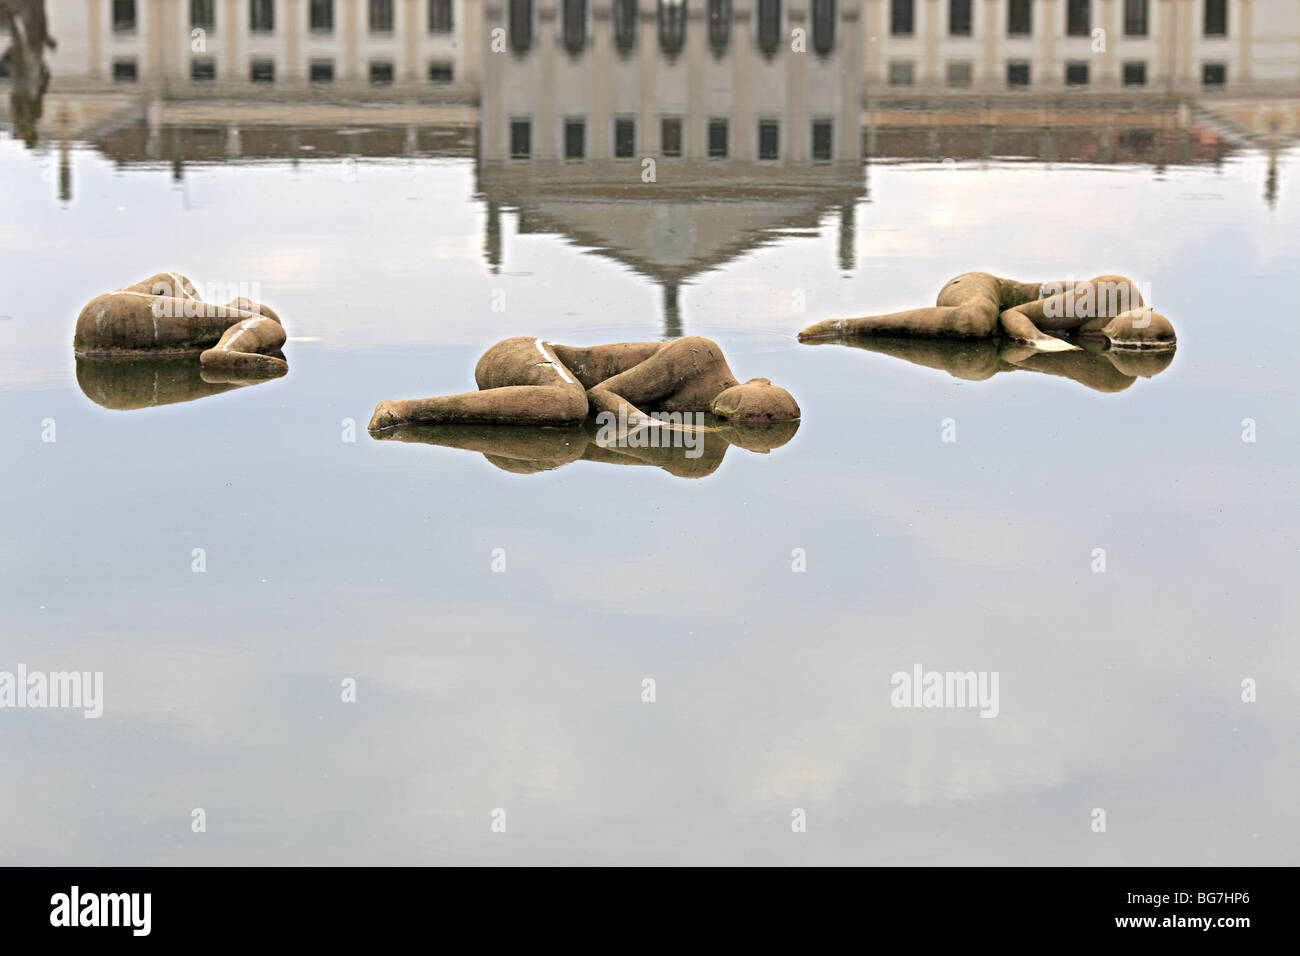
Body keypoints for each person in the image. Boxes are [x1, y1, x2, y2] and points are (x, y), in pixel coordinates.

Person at [367, 335, 800, 430]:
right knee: (569, 404)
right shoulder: (697, 356)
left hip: (532, 393)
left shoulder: (707, 421)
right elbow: (601, 396)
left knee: (564, 406)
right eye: (747, 404)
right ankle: (404, 410)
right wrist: (648, 428)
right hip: (522, 354)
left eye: (756, 422)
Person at [797, 272, 1175, 351]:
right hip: (977, 286)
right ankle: (846, 326)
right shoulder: (1101, 296)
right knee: (975, 322)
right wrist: (1040, 341)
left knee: (980, 330)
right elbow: (1015, 317)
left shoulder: (1139, 322)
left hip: (998, 297)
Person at [74, 273, 287, 376]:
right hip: (113, 314)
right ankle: (226, 350)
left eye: (249, 305)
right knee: (172, 280)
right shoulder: (186, 299)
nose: (243, 300)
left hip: (94, 317)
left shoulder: (256, 320)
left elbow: (162, 282)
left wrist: (263, 320)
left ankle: (225, 350)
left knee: (269, 324)